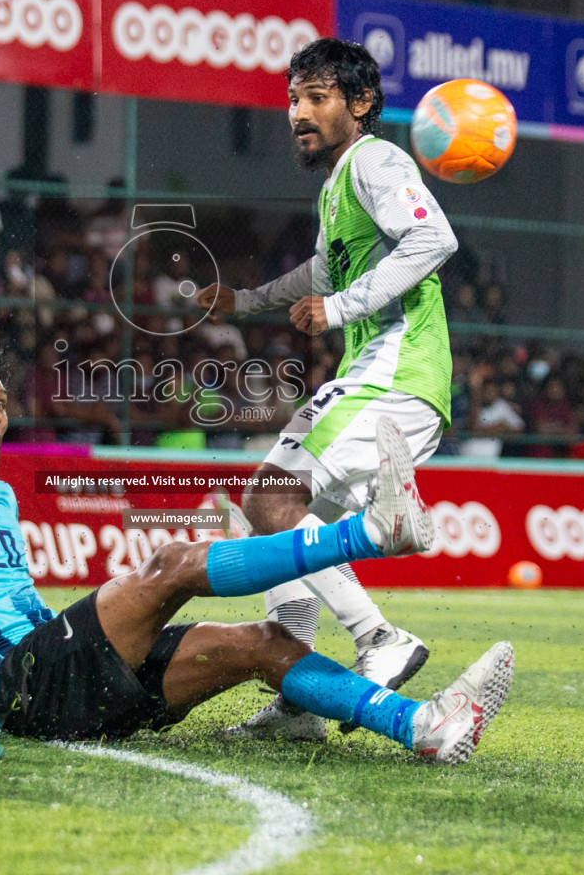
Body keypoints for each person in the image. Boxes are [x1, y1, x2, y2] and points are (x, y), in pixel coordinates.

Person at [0, 340, 514, 765]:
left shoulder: (1, 497)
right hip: (20, 688)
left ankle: (424, 728)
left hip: (72, 679)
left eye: (1, 404)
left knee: (264, 644)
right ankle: (374, 535)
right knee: (173, 565)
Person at [195, 38, 466, 741]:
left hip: (395, 372)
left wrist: (341, 310)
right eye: (293, 98)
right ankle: (301, 701)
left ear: (361, 104)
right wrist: (248, 300)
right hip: (383, 376)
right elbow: (320, 273)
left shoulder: (376, 159)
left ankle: (380, 638)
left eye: (316, 97)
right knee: (278, 525)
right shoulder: (339, 183)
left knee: (268, 499)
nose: (298, 113)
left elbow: (433, 239)